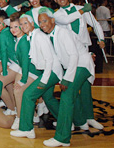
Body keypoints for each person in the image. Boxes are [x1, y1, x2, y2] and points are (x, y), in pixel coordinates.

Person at [38, 8, 103, 147]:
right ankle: (81, 122)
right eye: (40, 22)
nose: (42, 24)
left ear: (52, 20)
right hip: (73, 66)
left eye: (44, 20)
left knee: (67, 95)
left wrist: (67, 78)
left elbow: (74, 55)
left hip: (82, 64)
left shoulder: (63, 33)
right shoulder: (49, 35)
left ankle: (62, 138)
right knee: (73, 95)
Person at [10, 13, 63, 140]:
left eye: (25, 23)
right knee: (48, 97)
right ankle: (65, 122)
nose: (23, 26)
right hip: (50, 72)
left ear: (32, 23)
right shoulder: (32, 36)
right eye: (21, 24)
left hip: (52, 72)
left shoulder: (38, 36)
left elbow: (49, 59)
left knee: (28, 95)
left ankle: (27, 129)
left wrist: (43, 81)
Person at [9, 12, 36, 130]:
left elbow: (26, 62)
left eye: (16, 26)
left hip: (32, 71)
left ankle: (20, 119)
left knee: (18, 91)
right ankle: (33, 116)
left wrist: (23, 80)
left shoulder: (24, 41)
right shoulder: (19, 39)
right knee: (17, 90)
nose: (13, 29)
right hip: (23, 69)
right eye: (11, 27)